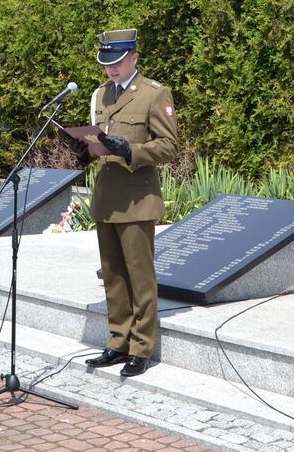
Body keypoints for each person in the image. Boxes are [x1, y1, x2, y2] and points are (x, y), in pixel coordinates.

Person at [69, 29, 178, 378]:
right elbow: (97, 143)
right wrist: (82, 152)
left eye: (116, 63)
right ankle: (118, 340)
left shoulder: (153, 94)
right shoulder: (100, 95)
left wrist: (131, 150)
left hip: (137, 196)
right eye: (106, 64)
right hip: (107, 197)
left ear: (134, 58)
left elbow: (169, 147)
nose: (111, 70)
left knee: (139, 274)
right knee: (113, 274)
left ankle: (141, 347)